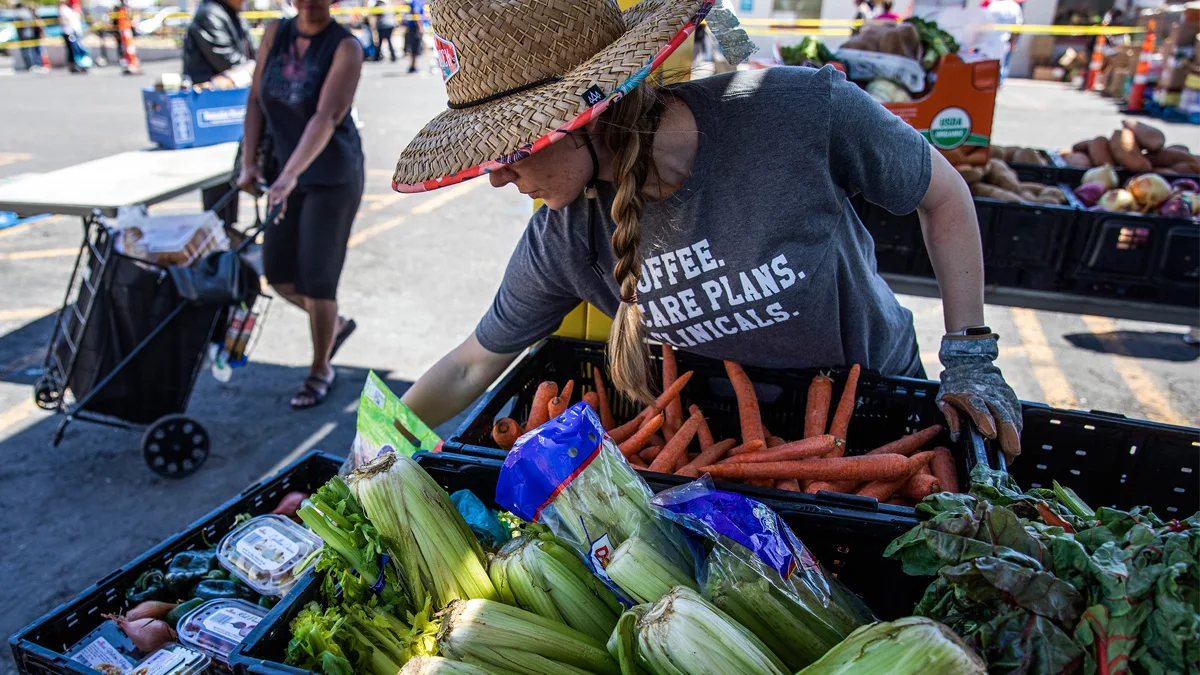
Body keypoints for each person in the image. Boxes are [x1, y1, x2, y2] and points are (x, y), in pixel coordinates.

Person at [392, 0, 1024, 462]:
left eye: (509, 149)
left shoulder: (795, 111)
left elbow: (944, 196)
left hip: (876, 425)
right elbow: (469, 368)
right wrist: (363, 460)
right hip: (730, 451)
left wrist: (970, 355)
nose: (498, 178)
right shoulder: (564, 236)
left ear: (583, 115)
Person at [237, 0, 364, 410]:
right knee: (277, 274)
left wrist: (290, 175)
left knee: (318, 279)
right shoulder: (275, 32)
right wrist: (248, 162)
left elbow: (326, 116)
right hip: (282, 174)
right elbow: (256, 99)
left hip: (331, 174)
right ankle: (335, 326)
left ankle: (319, 369)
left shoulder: (345, 47)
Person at [184, 0, 256, 233]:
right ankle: (219, 237)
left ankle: (227, 230)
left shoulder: (230, 14)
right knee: (217, 180)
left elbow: (249, 58)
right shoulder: (211, 15)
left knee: (228, 175)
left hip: (230, 110)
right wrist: (254, 67)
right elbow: (231, 62)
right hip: (213, 112)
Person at [183, 0, 255, 87]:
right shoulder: (210, 13)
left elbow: (252, 50)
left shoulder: (233, 13)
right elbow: (226, 60)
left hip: (234, 89)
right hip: (209, 92)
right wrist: (254, 68)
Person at [985, 0, 1023, 81]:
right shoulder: (1014, 7)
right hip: (1003, 41)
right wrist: (1013, 42)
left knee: (987, 65)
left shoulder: (992, 5)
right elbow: (1017, 27)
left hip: (988, 42)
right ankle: (998, 85)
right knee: (1001, 66)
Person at [58, 0, 91, 73]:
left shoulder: (70, 10)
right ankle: (74, 65)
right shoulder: (64, 9)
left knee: (78, 49)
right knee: (73, 49)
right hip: (69, 32)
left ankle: (80, 64)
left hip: (75, 32)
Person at [14, 3, 45, 72]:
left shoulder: (18, 14)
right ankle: (35, 64)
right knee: (33, 50)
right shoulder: (28, 13)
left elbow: (17, 25)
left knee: (26, 51)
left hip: (23, 35)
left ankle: (30, 65)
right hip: (32, 34)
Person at [402, 0, 423, 73]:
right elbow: (416, 14)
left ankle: (413, 65)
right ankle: (413, 66)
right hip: (414, 28)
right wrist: (420, 27)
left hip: (412, 28)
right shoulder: (416, 2)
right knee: (415, 48)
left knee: (415, 48)